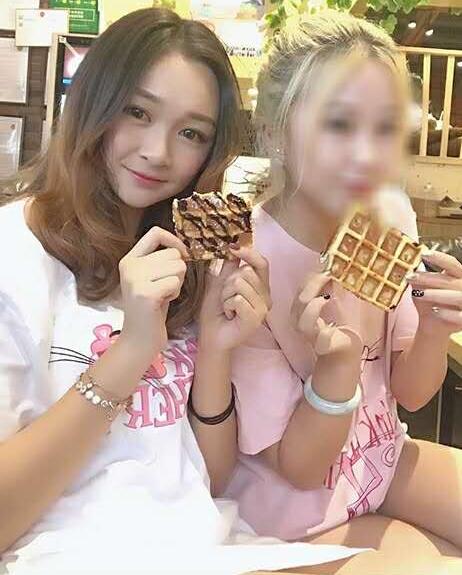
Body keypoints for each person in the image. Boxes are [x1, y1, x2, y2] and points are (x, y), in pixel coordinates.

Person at [0, 8, 364, 574]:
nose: (159, 152)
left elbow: (207, 481)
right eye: (137, 112)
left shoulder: (188, 256)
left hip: (208, 545)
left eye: (191, 133)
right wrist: (130, 353)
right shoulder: (15, 255)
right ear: (93, 101)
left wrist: (217, 346)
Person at [202, 10, 462, 575]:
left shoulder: (389, 216)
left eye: (385, 127)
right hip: (295, 516)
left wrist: (435, 328)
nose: (367, 153)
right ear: (275, 133)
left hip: (381, 463)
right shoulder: (246, 263)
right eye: (339, 124)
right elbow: (299, 468)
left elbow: (411, 392)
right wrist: (337, 365)